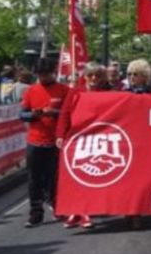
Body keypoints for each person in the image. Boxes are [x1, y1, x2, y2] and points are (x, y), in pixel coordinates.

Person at [55, 63, 111, 229]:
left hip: (97, 138)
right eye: (91, 75)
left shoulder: (105, 93)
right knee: (74, 175)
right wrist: (60, 135)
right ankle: (76, 211)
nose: (94, 79)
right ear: (85, 76)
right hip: (76, 138)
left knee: (89, 176)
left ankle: (83, 212)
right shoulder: (75, 92)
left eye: (98, 76)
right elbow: (65, 114)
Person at [19, 58, 70, 227]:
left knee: (55, 177)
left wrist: (54, 112)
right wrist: (34, 115)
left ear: (53, 72)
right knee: (34, 179)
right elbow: (22, 114)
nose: (43, 78)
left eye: (46, 74)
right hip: (35, 141)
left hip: (56, 140)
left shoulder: (63, 90)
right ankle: (35, 213)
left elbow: (70, 111)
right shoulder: (31, 91)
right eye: (40, 75)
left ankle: (58, 207)